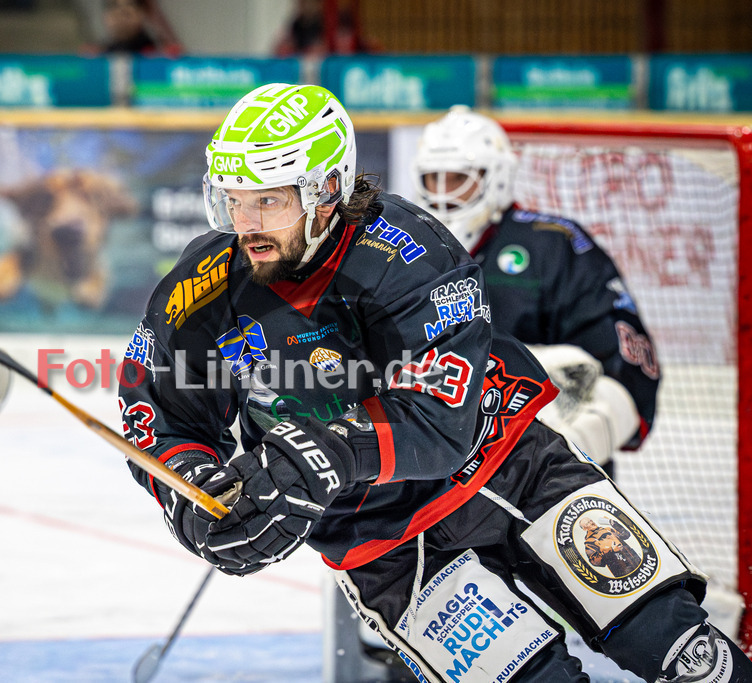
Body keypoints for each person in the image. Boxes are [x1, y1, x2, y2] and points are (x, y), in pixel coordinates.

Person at [117, 82, 752, 682]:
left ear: (328, 191)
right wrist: (192, 493)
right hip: (382, 547)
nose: (246, 221)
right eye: (234, 197)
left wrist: (321, 455)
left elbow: (439, 421)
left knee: (682, 649)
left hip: (512, 467)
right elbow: (160, 412)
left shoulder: (407, 249)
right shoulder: (202, 285)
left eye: (269, 200)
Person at [407, 105, 659, 476]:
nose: (444, 196)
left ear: (498, 178)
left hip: (543, 459)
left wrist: (572, 444)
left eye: (459, 180)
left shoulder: (554, 246)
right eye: (434, 179)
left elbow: (622, 372)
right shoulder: (404, 246)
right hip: (439, 467)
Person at [273, 0, 376, 57]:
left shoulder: (338, 17)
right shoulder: (297, 22)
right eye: (304, 3)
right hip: (306, 60)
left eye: (311, 3)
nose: (307, 6)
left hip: (334, 59)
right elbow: (290, 42)